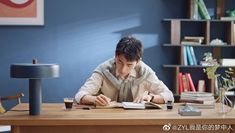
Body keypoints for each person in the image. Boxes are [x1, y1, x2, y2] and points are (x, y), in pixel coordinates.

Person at [75, 36, 174, 106]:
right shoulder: (103, 69)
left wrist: (151, 98)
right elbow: (80, 95)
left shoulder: (145, 72)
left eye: (129, 65)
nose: (123, 69)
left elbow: (169, 96)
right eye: (119, 62)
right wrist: (95, 99)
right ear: (115, 55)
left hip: (137, 121)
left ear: (138, 61)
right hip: (106, 120)